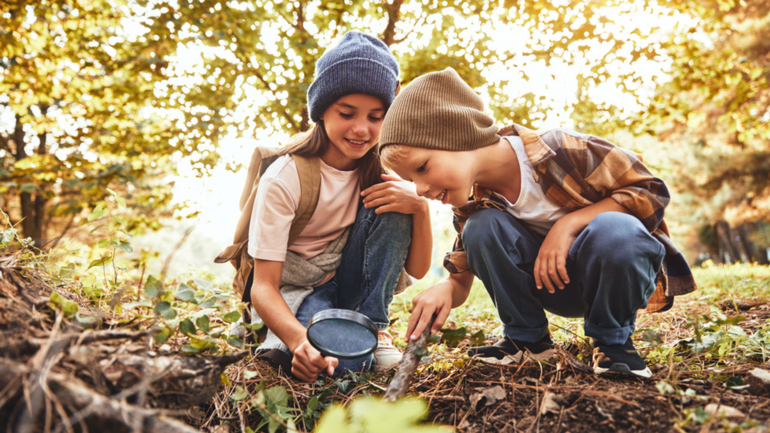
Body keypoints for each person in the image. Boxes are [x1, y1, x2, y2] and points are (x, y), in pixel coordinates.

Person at [377, 67, 696, 378]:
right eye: (409, 179)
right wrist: (446, 289)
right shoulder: (470, 204)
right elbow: (462, 278)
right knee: (481, 225)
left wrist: (567, 225)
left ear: (458, 135)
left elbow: (649, 191)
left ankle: (613, 344)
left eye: (421, 168)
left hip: (612, 276)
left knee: (617, 229)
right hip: (552, 288)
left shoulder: (563, 150)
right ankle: (527, 340)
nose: (419, 189)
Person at [247, 31, 432, 382]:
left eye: (376, 117)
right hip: (298, 289)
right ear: (322, 110)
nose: (361, 129)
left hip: (349, 281)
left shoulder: (382, 172)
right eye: (347, 113)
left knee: (395, 202)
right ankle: (301, 334)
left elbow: (419, 269)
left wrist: (419, 207)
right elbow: (263, 286)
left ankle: (374, 327)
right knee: (334, 367)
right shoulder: (285, 178)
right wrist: (299, 341)